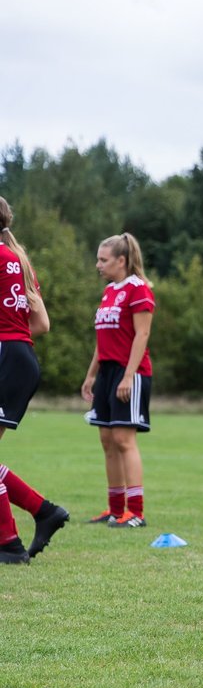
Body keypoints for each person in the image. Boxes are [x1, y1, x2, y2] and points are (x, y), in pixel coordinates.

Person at [0, 198, 70, 564]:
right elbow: (41, 324)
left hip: (6, 357)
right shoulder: (19, 260)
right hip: (18, 356)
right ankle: (43, 511)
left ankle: (9, 544)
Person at [81, 232, 155, 529]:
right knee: (107, 440)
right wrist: (91, 375)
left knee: (124, 440)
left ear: (121, 260)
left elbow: (142, 334)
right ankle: (115, 510)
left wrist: (128, 376)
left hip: (130, 372)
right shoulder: (110, 291)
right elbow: (104, 337)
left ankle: (135, 512)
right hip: (107, 373)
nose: (98, 265)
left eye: (103, 259)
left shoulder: (139, 289)